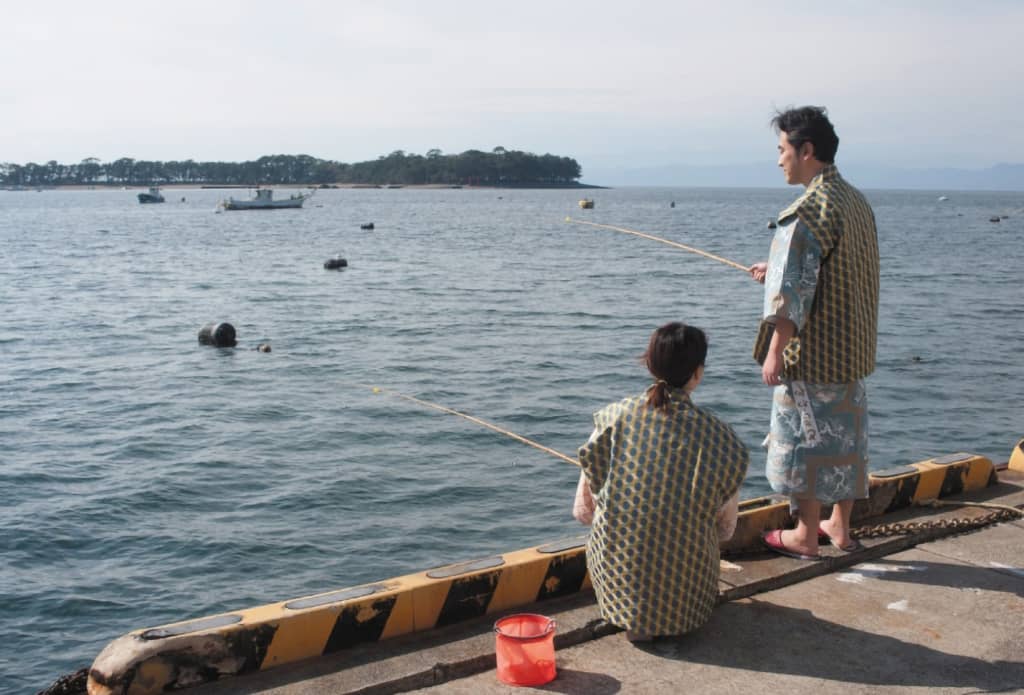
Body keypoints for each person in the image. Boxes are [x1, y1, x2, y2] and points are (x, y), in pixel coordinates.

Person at [748, 106, 880, 560]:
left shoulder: (806, 211)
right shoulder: (855, 202)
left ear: (806, 150)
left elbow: (791, 293)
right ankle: (839, 526)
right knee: (846, 438)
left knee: (805, 439)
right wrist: (773, 267)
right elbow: (832, 270)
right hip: (853, 349)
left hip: (814, 354)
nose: (779, 160)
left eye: (782, 150)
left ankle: (804, 535)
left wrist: (775, 351)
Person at [572, 322, 749, 641]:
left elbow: (583, 513)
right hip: (690, 609)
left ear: (649, 364)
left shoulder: (613, 418)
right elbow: (726, 530)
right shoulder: (721, 438)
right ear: (698, 373)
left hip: (617, 595)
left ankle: (635, 616)